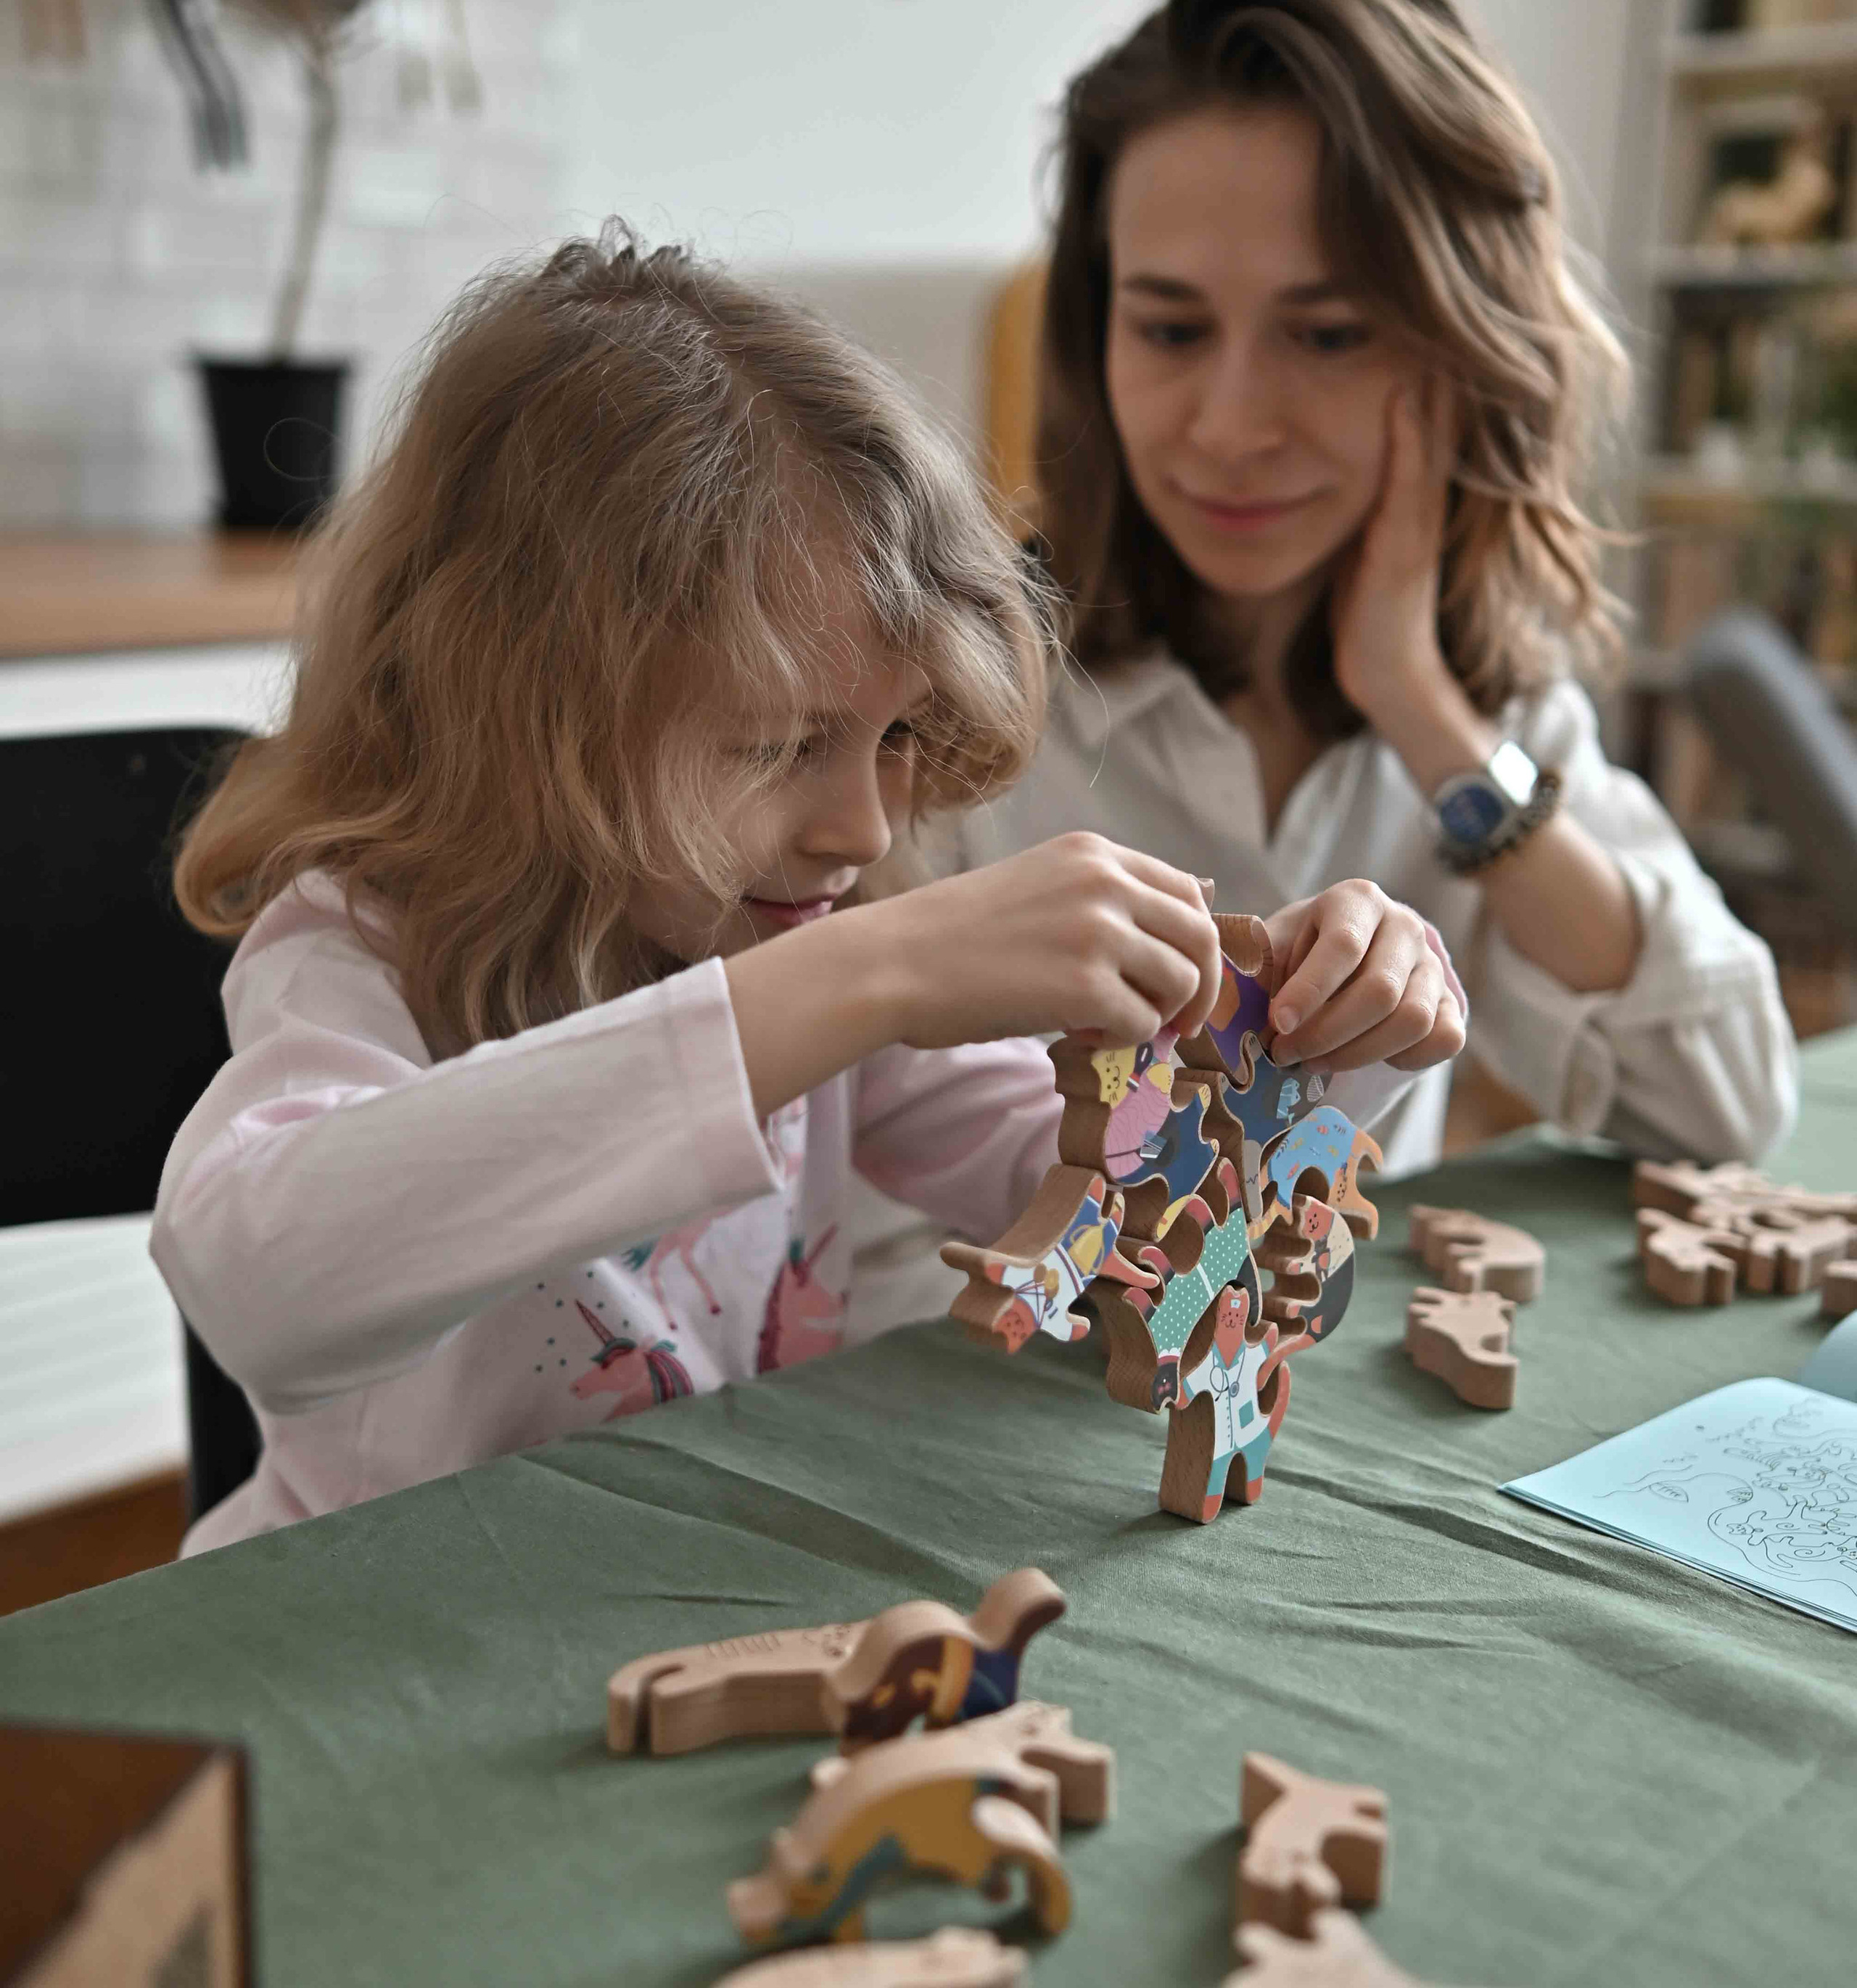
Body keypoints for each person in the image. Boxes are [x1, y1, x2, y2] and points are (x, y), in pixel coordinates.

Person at [155, 231, 1464, 1550]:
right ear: (529, 718)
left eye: (897, 735)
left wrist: (1315, 1052)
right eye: (781, 744)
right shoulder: (357, 950)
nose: (863, 822)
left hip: (682, 1596)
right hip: (369, 1626)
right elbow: (253, 1278)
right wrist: (857, 980)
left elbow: (1132, 1241)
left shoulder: (809, 930)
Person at [948, 0, 1796, 1178]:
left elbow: (1730, 1100)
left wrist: (1419, 704)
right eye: (1171, 327)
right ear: (1097, 334)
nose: (1232, 427)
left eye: (1330, 336)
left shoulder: (1486, 717)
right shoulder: (951, 695)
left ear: (1460, 358)